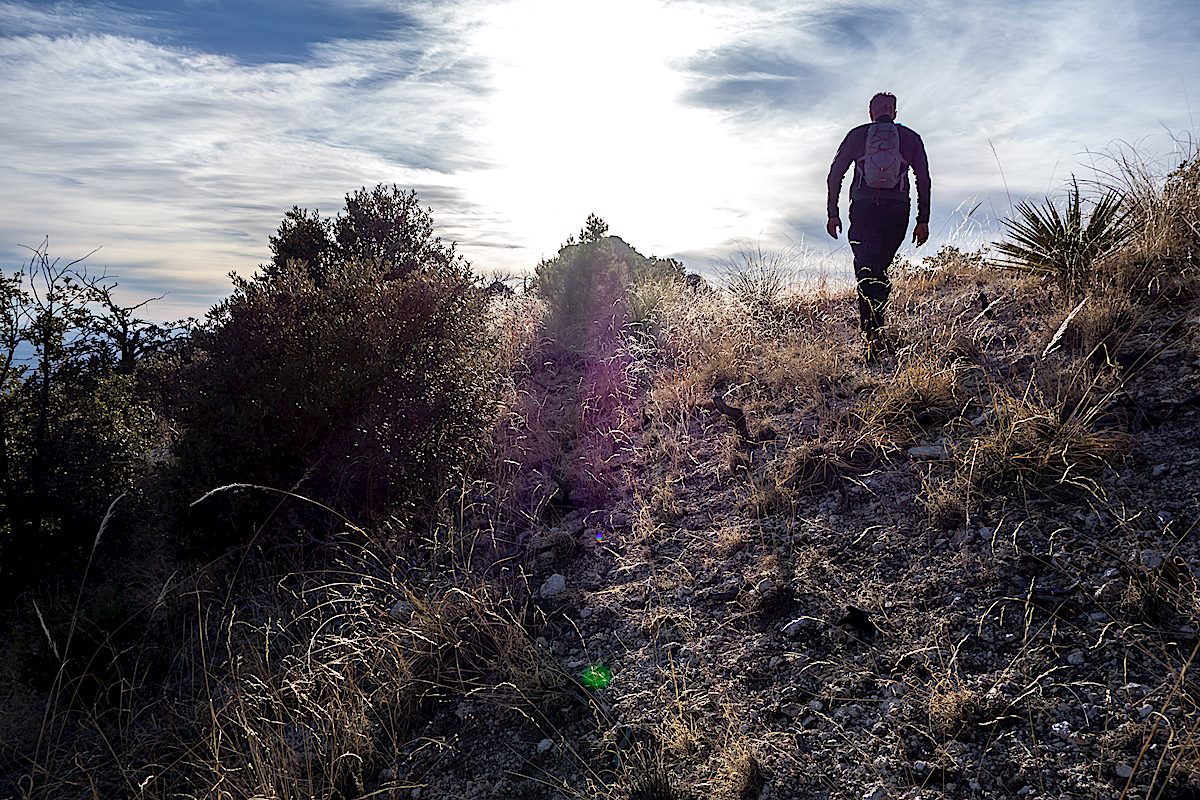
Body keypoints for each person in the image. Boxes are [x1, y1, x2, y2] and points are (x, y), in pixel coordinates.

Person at [826, 92, 931, 358]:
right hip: (897, 210)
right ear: (894, 112)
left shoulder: (857, 135)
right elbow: (923, 179)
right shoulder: (910, 139)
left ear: (871, 113)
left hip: (863, 208)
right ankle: (877, 328)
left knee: (865, 267)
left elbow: (835, 173)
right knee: (879, 268)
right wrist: (923, 219)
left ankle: (872, 334)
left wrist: (833, 213)